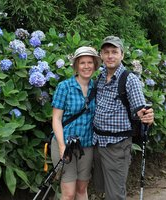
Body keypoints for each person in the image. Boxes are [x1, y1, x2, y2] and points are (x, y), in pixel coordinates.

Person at [92, 36, 154, 200]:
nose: (110, 56)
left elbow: (139, 108)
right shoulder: (99, 77)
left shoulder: (129, 79)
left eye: (114, 52)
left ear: (122, 55)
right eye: (106, 52)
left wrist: (145, 115)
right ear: (101, 55)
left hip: (117, 146)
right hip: (98, 142)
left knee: (115, 194)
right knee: (101, 189)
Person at [51, 46, 101, 200]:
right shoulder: (64, 87)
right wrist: (61, 146)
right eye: (82, 63)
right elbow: (56, 119)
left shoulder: (97, 87)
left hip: (86, 146)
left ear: (95, 65)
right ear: (76, 66)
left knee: (81, 189)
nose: (86, 66)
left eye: (90, 62)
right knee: (68, 193)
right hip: (65, 144)